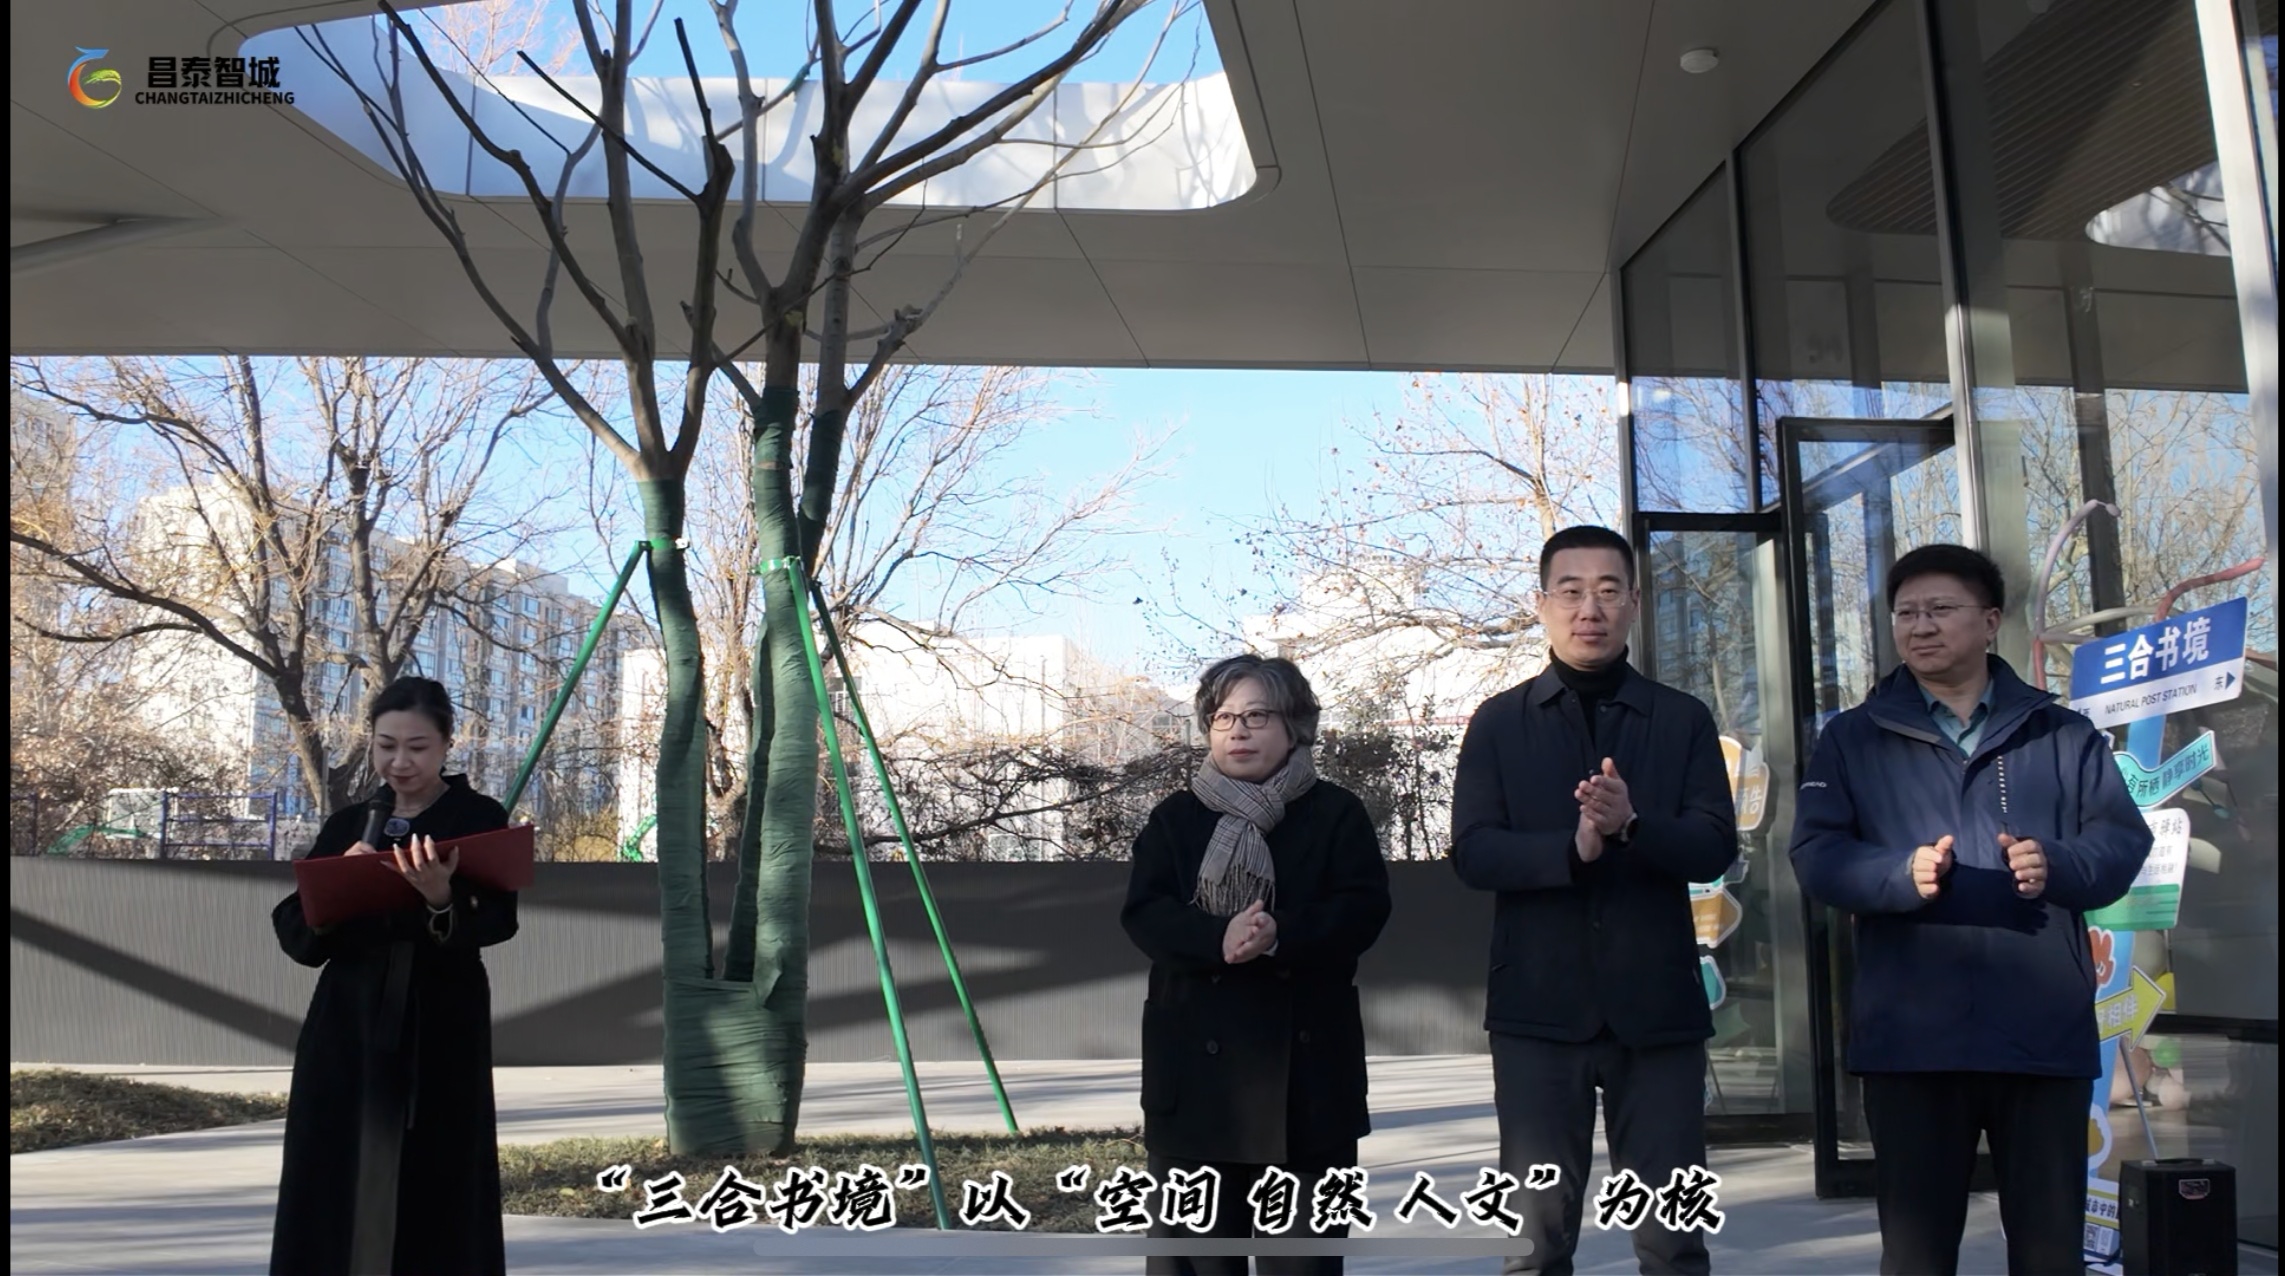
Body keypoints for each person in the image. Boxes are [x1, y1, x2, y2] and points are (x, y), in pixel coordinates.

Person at [1790, 544, 2150, 1276]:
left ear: (1989, 622)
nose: (1920, 627)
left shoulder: (2061, 733)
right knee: (1916, 1255)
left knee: (2049, 1252)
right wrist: (1898, 874)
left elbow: (2120, 842)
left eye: (1939, 610)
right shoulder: (1854, 738)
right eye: (1906, 613)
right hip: (1911, 1037)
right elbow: (1816, 854)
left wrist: (2056, 863)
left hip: (2039, 1032)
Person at [1450, 524, 1737, 1276]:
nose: (1590, 609)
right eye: (1571, 591)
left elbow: (1714, 844)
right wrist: (1571, 849)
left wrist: (1632, 826)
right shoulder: (1498, 722)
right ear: (1541, 604)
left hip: (1658, 1010)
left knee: (1674, 1240)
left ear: (1635, 602)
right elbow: (1473, 851)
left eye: (1608, 591)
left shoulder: (1680, 719)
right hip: (1538, 1011)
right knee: (1535, 1240)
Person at [1123, 654, 1393, 1276]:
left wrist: (1280, 935)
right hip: (1196, 1084)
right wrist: (1216, 936)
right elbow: (1144, 913)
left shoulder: (1336, 813)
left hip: (1307, 1088)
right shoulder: (1175, 818)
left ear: (1295, 726)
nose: (1237, 731)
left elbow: (1363, 910)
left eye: (1257, 716)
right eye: (1223, 717)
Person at [269, 677, 519, 1276]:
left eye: (417, 747)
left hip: (440, 1019)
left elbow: (499, 920)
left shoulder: (477, 818)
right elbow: (297, 932)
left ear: (447, 745)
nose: (400, 762)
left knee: (437, 1164)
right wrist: (337, 888)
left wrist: (440, 898)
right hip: (349, 1018)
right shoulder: (351, 823)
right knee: (335, 1160)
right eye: (386, 746)